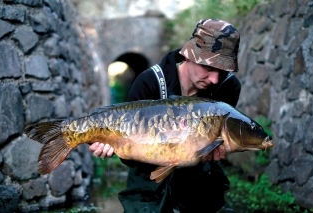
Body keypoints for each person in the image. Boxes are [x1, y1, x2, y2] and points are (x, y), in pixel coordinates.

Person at [89, 18, 241, 213]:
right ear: (188, 55)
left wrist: (218, 148)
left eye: (223, 71)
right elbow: (130, 159)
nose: (214, 79)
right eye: (210, 68)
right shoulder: (149, 82)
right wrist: (112, 145)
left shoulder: (228, 86)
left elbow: (221, 141)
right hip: (148, 175)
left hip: (199, 177)